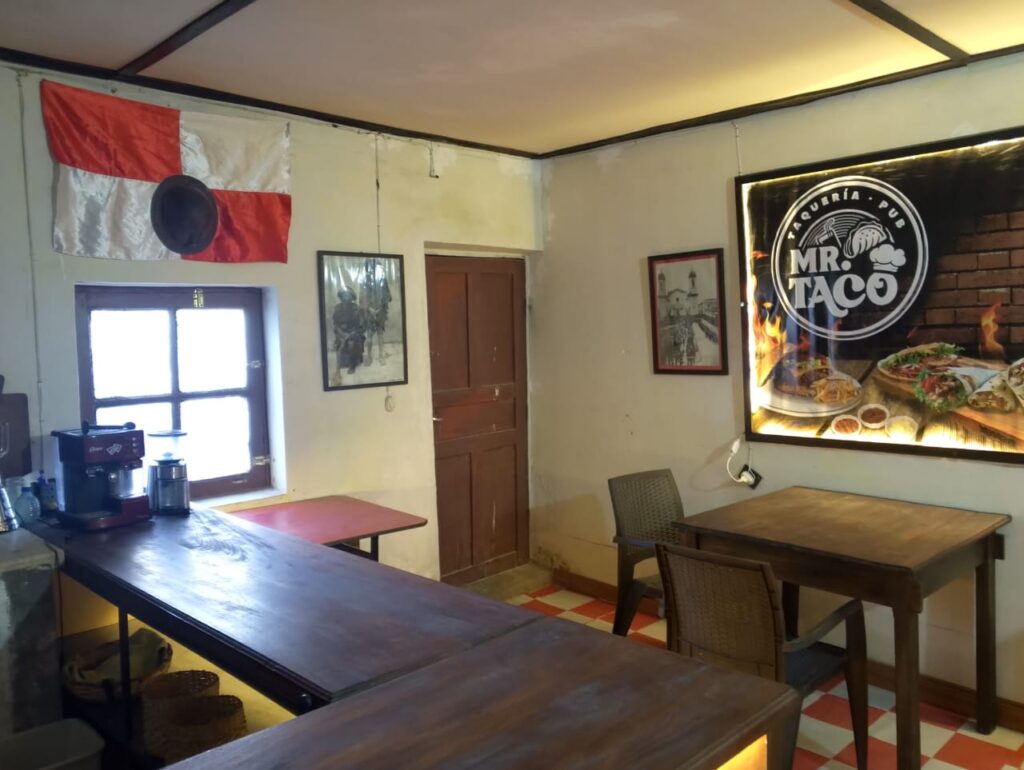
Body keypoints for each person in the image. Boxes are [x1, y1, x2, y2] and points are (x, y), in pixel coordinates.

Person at [333, 288, 366, 376]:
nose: (346, 297)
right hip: (341, 333)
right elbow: (336, 324)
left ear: (352, 297)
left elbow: (361, 326)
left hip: (354, 332)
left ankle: (352, 365)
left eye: (348, 295)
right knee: (339, 344)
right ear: (341, 297)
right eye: (344, 295)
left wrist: (351, 334)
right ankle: (337, 369)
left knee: (351, 343)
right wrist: (342, 334)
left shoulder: (357, 308)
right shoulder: (337, 308)